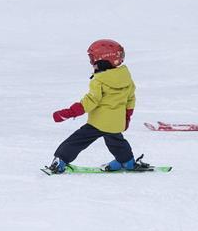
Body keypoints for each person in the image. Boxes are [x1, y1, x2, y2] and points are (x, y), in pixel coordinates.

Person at [47, 39, 140, 173]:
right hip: (116, 122)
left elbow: (90, 101)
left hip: (98, 123)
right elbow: (131, 99)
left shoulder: (99, 81)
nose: (92, 64)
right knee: (116, 141)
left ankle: (60, 161)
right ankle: (127, 162)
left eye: (93, 60)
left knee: (77, 141)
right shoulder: (126, 78)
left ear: (103, 60)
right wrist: (126, 117)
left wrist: (68, 113)